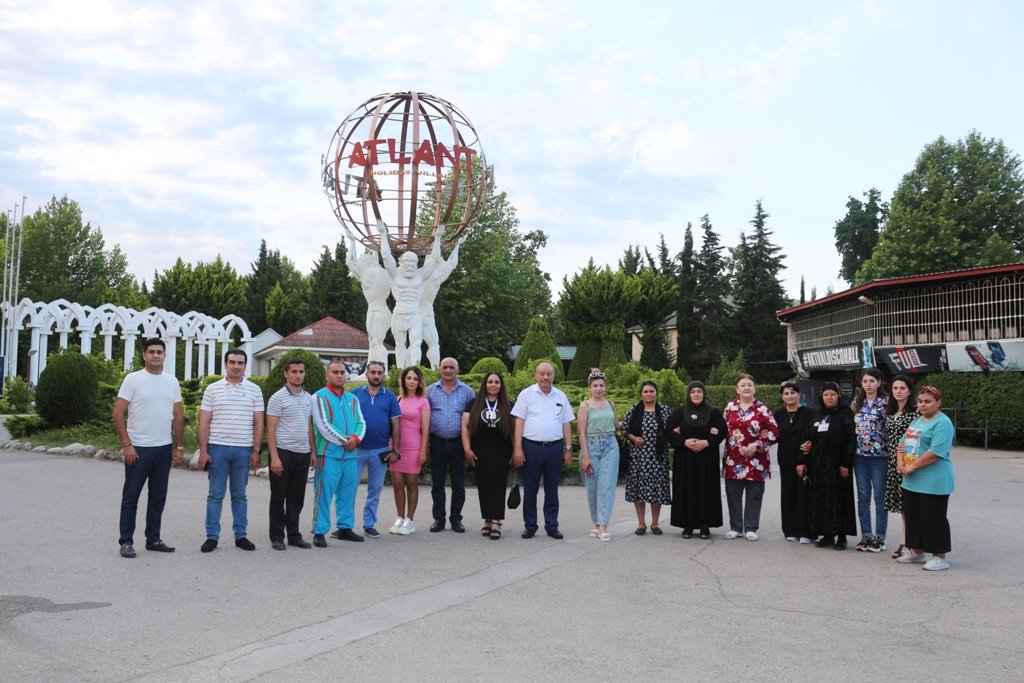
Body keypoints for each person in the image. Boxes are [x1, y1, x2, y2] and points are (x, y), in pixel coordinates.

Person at [112, 338, 185, 558]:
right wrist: (127, 445)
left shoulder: (171, 381)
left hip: (163, 448)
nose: (155, 355)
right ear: (144, 355)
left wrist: (180, 446)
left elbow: (178, 415)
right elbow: (118, 413)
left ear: (164, 355)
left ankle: (153, 538)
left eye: (159, 352)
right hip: (139, 448)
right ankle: (126, 541)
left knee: (158, 496)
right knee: (131, 497)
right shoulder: (133, 380)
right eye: (151, 351)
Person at [198, 349, 265, 553]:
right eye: (232, 362)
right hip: (217, 448)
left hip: (243, 450)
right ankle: (212, 536)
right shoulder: (212, 389)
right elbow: (204, 422)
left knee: (240, 495)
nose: (236, 366)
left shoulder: (254, 390)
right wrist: (203, 451)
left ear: (245, 365)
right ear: (225, 365)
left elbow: (258, 422)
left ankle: (241, 536)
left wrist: (256, 450)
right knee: (215, 496)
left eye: (240, 363)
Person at [511, 362, 575, 539]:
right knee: (530, 489)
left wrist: (568, 449)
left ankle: (552, 525)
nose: (545, 377)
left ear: (554, 376)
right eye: (542, 374)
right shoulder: (526, 395)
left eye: (549, 374)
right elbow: (518, 422)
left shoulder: (560, 396)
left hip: (554, 448)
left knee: (552, 489)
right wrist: (517, 448)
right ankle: (530, 525)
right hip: (531, 448)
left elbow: (566, 423)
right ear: (536, 375)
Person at [896, 386, 956, 571]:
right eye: (920, 401)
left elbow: (936, 452)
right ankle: (917, 551)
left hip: (933, 481)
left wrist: (913, 466)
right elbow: (902, 444)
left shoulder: (943, 423)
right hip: (911, 480)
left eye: (927, 401)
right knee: (914, 517)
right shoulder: (917, 421)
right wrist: (900, 464)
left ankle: (939, 556)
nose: (923, 404)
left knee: (933, 518)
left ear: (938, 402)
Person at [309, 359, 367, 547]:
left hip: (350, 455)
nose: (339, 375)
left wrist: (356, 440)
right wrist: (345, 441)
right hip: (328, 454)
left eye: (342, 372)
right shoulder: (318, 397)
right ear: (327, 375)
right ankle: (319, 531)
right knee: (323, 494)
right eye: (335, 372)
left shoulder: (353, 399)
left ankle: (345, 527)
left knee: (348, 493)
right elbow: (323, 424)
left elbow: (361, 423)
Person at [722, 374, 779, 541]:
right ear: (737, 389)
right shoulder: (730, 407)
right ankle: (736, 527)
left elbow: (774, 431)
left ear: (754, 388)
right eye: (742, 385)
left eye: (749, 385)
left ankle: (751, 527)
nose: (746, 387)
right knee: (733, 493)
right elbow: (721, 428)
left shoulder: (762, 408)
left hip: (756, 460)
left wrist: (757, 445)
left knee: (754, 495)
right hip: (734, 459)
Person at [265, 357, 315, 550]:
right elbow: (271, 429)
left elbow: (309, 426)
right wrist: (275, 457)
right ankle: (277, 536)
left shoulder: (308, 398)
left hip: (302, 454)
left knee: (296, 497)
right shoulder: (277, 398)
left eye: (301, 372)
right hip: (283, 453)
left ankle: (294, 535)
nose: (298, 375)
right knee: (278, 496)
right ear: (286, 374)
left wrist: (312, 451)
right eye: (294, 371)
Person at [667, 380, 726, 539]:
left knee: (706, 489)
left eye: (699, 391)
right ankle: (688, 525)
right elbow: (669, 431)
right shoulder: (680, 411)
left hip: (707, 458)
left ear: (704, 393)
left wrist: (706, 442)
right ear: (689, 394)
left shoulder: (713, 412)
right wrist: (684, 442)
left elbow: (722, 431)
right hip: (685, 459)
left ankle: (705, 525)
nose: (696, 394)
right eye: (693, 392)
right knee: (686, 489)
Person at [351, 360, 401, 538]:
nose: (376, 376)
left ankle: (369, 524)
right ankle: (345, 525)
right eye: (373, 372)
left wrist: (394, 450)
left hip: (380, 450)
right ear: (366, 374)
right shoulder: (355, 394)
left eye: (379, 372)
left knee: (374, 490)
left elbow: (396, 425)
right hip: (356, 450)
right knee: (350, 488)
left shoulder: (390, 397)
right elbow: (348, 421)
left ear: (384, 375)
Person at [462, 371, 514, 540]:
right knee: (484, 486)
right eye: (490, 382)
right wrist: (467, 449)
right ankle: (487, 519)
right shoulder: (473, 403)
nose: (493, 385)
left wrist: (516, 450)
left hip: (501, 451)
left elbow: (514, 430)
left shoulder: (508, 404)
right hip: (480, 451)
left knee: (498, 486)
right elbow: (465, 427)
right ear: (485, 384)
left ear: (501, 385)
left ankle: (497, 521)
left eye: (497, 382)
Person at [426, 357, 476, 533]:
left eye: (451, 368)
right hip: (437, 442)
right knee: (437, 484)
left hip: (458, 444)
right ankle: (439, 519)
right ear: (440, 369)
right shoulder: (430, 391)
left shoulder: (468, 392)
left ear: (458, 370)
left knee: (458, 484)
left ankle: (456, 519)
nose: (448, 371)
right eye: (444, 367)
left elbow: (473, 419)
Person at [807, 382, 857, 550]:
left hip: (838, 466)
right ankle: (827, 534)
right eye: (826, 394)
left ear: (838, 396)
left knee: (840, 500)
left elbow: (851, 439)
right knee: (822, 499)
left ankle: (841, 536)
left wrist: (845, 463)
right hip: (819, 466)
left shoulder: (845, 413)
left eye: (833, 394)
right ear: (821, 397)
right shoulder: (817, 414)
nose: (829, 397)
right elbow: (811, 436)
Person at [622, 381, 672, 536]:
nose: (648, 394)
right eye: (645, 391)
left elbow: (672, 429)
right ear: (641, 394)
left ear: (656, 393)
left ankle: (655, 523)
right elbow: (624, 428)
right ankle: (641, 523)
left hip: (658, 457)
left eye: (651, 391)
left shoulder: (664, 410)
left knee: (656, 489)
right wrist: (633, 437)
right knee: (639, 490)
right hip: (638, 457)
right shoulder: (634, 410)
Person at [378, 221, 430, 368]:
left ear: (416, 264)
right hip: (399, 313)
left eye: (412, 264)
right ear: (401, 263)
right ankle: (400, 373)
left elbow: (432, 262)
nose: (409, 267)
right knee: (399, 345)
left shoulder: (420, 276)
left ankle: (415, 371)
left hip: (414, 313)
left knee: (416, 344)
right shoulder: (395, 275)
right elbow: (386, 256)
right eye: (407, 263)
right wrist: (383, 234)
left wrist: (437, 238)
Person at [576, 369, 620, 542]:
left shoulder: (610, 403)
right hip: (591, 446)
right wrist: (585, 457)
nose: (598, 388)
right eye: (595, 385)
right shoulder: (584, 406)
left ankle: (603, 526)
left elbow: (617, 425)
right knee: (593, 487)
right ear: (590, 387)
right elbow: (581, 432)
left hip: (610, 445)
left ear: (605, 386)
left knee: (606, 486)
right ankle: (596, 523)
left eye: (601, 385)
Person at [852, 368, 889, 553]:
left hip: (880, 457)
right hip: (859, 457)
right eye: (865, 381)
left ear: (879, 382)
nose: (868, 384)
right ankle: (866, 535)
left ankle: (880, 537)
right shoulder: (856, 403)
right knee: (863, 497)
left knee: (880, 497)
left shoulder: (886, 403)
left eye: (872, 381)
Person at [389, 366, 430, 535]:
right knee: (398, 484)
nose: (411, 381)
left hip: (414, 447)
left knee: (411, 484)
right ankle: (399, 517)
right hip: (397, 449)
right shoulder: (397, 399)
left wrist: (423, 451)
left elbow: (426, 429)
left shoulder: (423, 401)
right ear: (404, 380)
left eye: (415, 378)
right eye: (408, 378)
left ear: (419, 382)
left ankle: (409, 520)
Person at [773, 380, 815, 544]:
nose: (790, 396)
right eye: (786, 393)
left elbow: (810, 436)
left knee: (804, 496)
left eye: (793, 392)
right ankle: (790, 530)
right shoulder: (778, 415)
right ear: (782, 396)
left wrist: (802, 460)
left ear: (799, 395)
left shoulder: (809, 413)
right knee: (788, 495)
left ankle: (807, 531)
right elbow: (773, 435)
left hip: (804, 461)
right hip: (785, 460)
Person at [883, 375, 919, 559]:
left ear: (909, 391)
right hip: (892, 462)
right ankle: (905, 541)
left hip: (909, 462)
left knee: (909, 504)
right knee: (902, 506)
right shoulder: (890, 411)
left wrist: (907, 462)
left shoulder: (915, 413)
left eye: (902, 388)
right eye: (895, 388)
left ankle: (908, 543)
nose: (898, 391)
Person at [420, 231, 465, 369]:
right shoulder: (435, 276)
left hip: (412, 311)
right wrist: (457, 244)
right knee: (433, 344)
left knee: (413, 345)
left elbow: (450, 263)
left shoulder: (419, 274)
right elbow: (452, 262)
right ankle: (434, 371)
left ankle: (408, 371)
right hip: (424, 311)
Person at [347, 237, 392, 366]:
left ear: (365, 263)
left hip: (375, 311)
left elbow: (350, 262)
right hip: (385, 311)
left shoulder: (366, 274)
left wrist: (352, 242)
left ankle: (382, 370)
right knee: (373, 342)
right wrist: (375, 248)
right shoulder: (383, 272)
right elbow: (376, 262)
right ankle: (371, 367)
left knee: (376, 342)